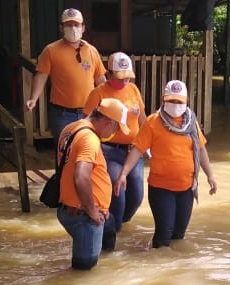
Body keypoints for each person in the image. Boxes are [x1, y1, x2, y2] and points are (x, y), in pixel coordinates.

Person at [116, 80, 217, 249]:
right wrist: (124, 173)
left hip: (186, 189)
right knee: (163, 235)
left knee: (179, 235)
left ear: (186, 102)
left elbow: (201, 149)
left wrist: (210, 175)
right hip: (161, 189)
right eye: (171, 101)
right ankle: (154, 264)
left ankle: (175, 269)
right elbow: (137, 149)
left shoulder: (191, 122)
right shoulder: (152, 122)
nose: (175, 105)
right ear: (164, 99)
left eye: (179, 101)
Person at [56, 98, 131, 271]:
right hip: (84, 216)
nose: (115, 132)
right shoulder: (90, 139)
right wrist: (92, 211)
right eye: (117, 127)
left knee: (110, 226)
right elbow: (81, 177)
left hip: (70, 208)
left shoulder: (70, 129)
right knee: (84, 273)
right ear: (108, 122)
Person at [84, 52, 146, 252]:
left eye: (127, 77)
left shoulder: (134, 90)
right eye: (120, 77)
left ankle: (119, 225)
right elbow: (89, 122)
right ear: (109, 73)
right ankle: (113, 234)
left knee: (136, 195)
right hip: (108, 151)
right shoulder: (98, 93)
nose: (124, 81)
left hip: (132, 151)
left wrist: (149, 142)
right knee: (117, 193)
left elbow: (142, 118)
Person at [25, 8, 107, 143]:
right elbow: (41, 75)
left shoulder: (92, 51)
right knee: (64, 153)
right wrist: (33, 99)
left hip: (89, 113)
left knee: (88, 151)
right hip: (62, 114)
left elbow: (100, 79)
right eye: (68, 25)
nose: (73, 28)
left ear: (83, 27)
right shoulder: (50, 50)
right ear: (61, 28)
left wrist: (110, 99)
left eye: (76, 25)